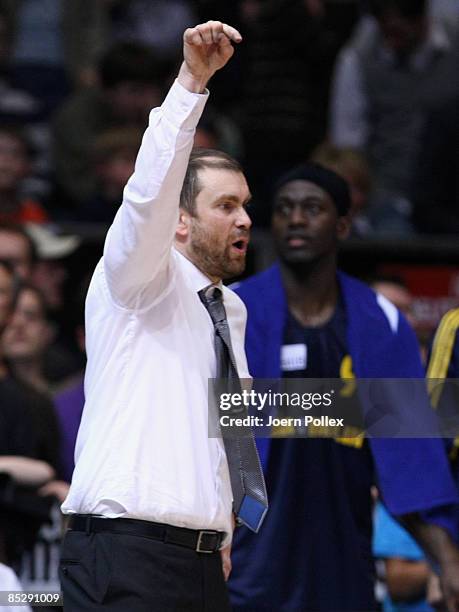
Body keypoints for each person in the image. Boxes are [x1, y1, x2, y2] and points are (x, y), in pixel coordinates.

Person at [60, 20, 266, 611]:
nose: (245, 220)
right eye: (226, 206)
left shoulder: (230, 309)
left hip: (201, 562)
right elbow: (148, 192)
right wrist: (190, 84)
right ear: (180, 222)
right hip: (124, 555)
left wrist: (222, 525)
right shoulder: (138, 278)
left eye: (246, 206)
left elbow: (224, 426)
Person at [228, 162, 459, 611]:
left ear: (343, 225)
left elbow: (411, 459)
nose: (295, 219)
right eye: (284, 209)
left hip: (344, 559)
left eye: (312, 208)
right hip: (247, 562)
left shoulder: (381, 321)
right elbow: (216, 418)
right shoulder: (235, 311)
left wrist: (446, 560)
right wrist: (361, 411)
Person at [329, 0, 459, 234]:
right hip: (387, 196)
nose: (393, 22)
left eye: (404, 13)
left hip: (451, 193)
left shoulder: (455, 40)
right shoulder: (358, 57)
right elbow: (348, 149)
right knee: (392, 233)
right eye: (382, 15)